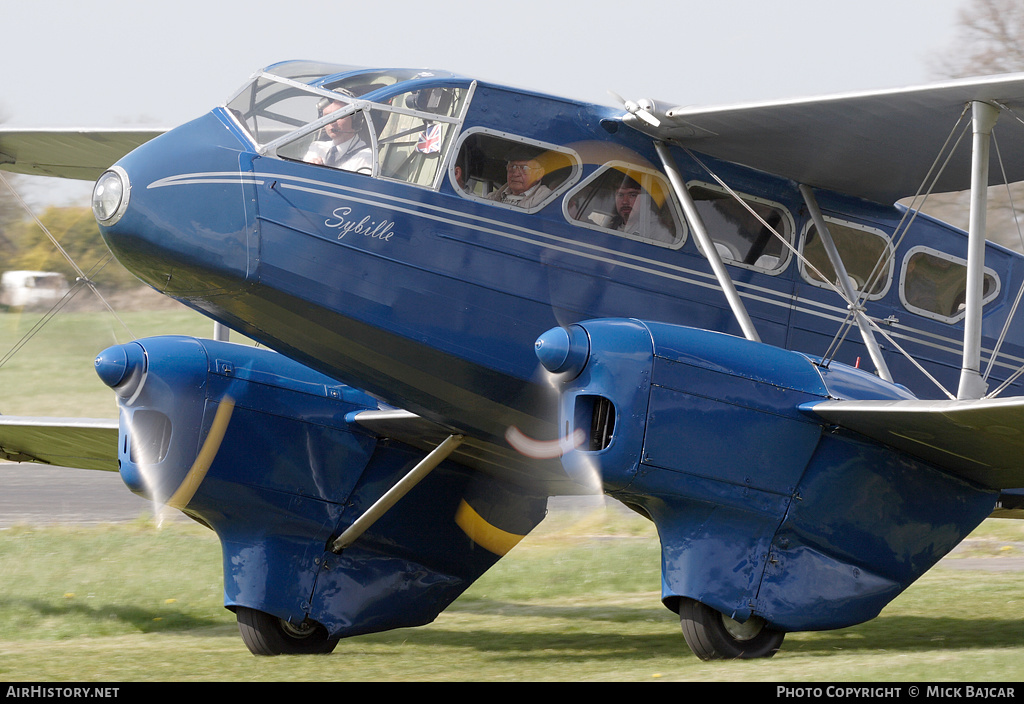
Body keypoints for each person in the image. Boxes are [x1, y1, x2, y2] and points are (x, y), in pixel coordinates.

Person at [304, 99, 373, 175]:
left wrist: (322, 174)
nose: (332, 122)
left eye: (339, 116)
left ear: (355, 120)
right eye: (327, 116)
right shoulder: (316, 148)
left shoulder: (366, 157)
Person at [486, 146, 551, 208]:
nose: (516, 174)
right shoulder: (493, 196)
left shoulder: (545, 198)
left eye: (524, 168)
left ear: (539, 174)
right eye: (513, 167)